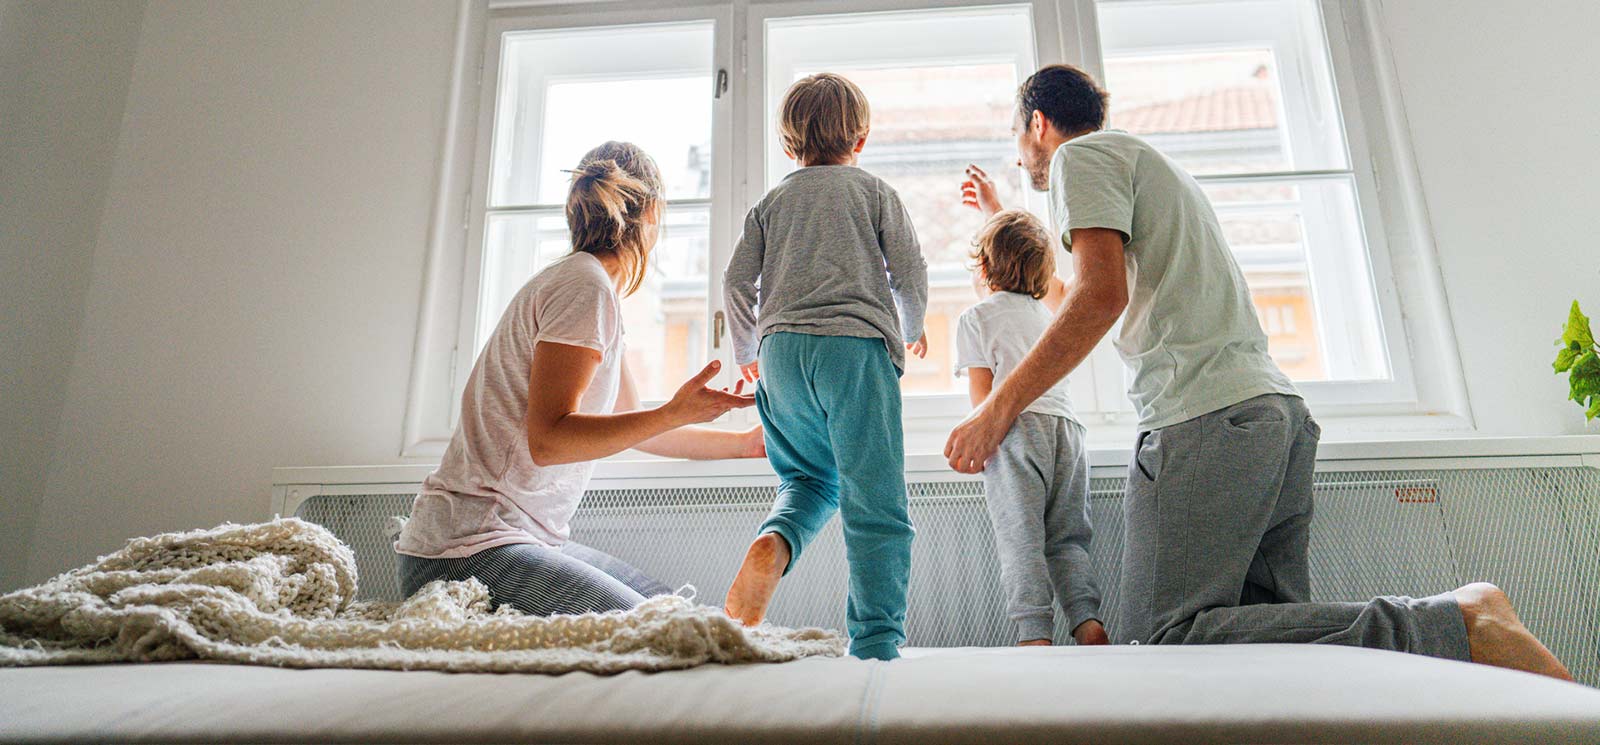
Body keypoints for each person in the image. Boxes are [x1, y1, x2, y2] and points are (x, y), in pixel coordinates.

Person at [945, 64, 1572, 680]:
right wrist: (998, 217)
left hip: (1203, 418)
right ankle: (1453, 625)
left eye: (1018, 140)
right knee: (1267, 650)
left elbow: (1097, 300)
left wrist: (995, 410)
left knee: (1165, 634)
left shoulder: (1078, 161)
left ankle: (1453, 623)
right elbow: (1065, 297)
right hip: (1269, 414)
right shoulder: (1150, 166)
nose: (1022, 158)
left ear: (1038, 123)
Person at [394, 141, 761, 617]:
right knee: (671, 628)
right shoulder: (583, 288)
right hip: (465, 551)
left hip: (514, 542)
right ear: (650, 213)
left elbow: (637, 427)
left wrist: (745, 444)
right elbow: (549, 441)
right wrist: (674, 410)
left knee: (679, 612)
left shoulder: (591, 289)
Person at [720, 73, 928, 661]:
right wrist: (907, 333)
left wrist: (747, 352)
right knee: (875, 503)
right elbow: (910, 275)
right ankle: (877, 640)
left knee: (810, 481)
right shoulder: (875, 192)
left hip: (781, 354)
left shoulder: (771, 203)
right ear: (860, 137)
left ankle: (774, 540)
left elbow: (736, 281)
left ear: (790, 144)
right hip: (854, 351)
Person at [956, 209, 1107, 647]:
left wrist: (983, 447)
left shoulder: (977, 317)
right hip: (1068, 431)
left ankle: (1034, 635)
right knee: (1068, 541)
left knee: (1021, 539)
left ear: (983, 268)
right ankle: (1088, 621)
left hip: (1017, 429)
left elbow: (984, 401)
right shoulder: (1051, 315)